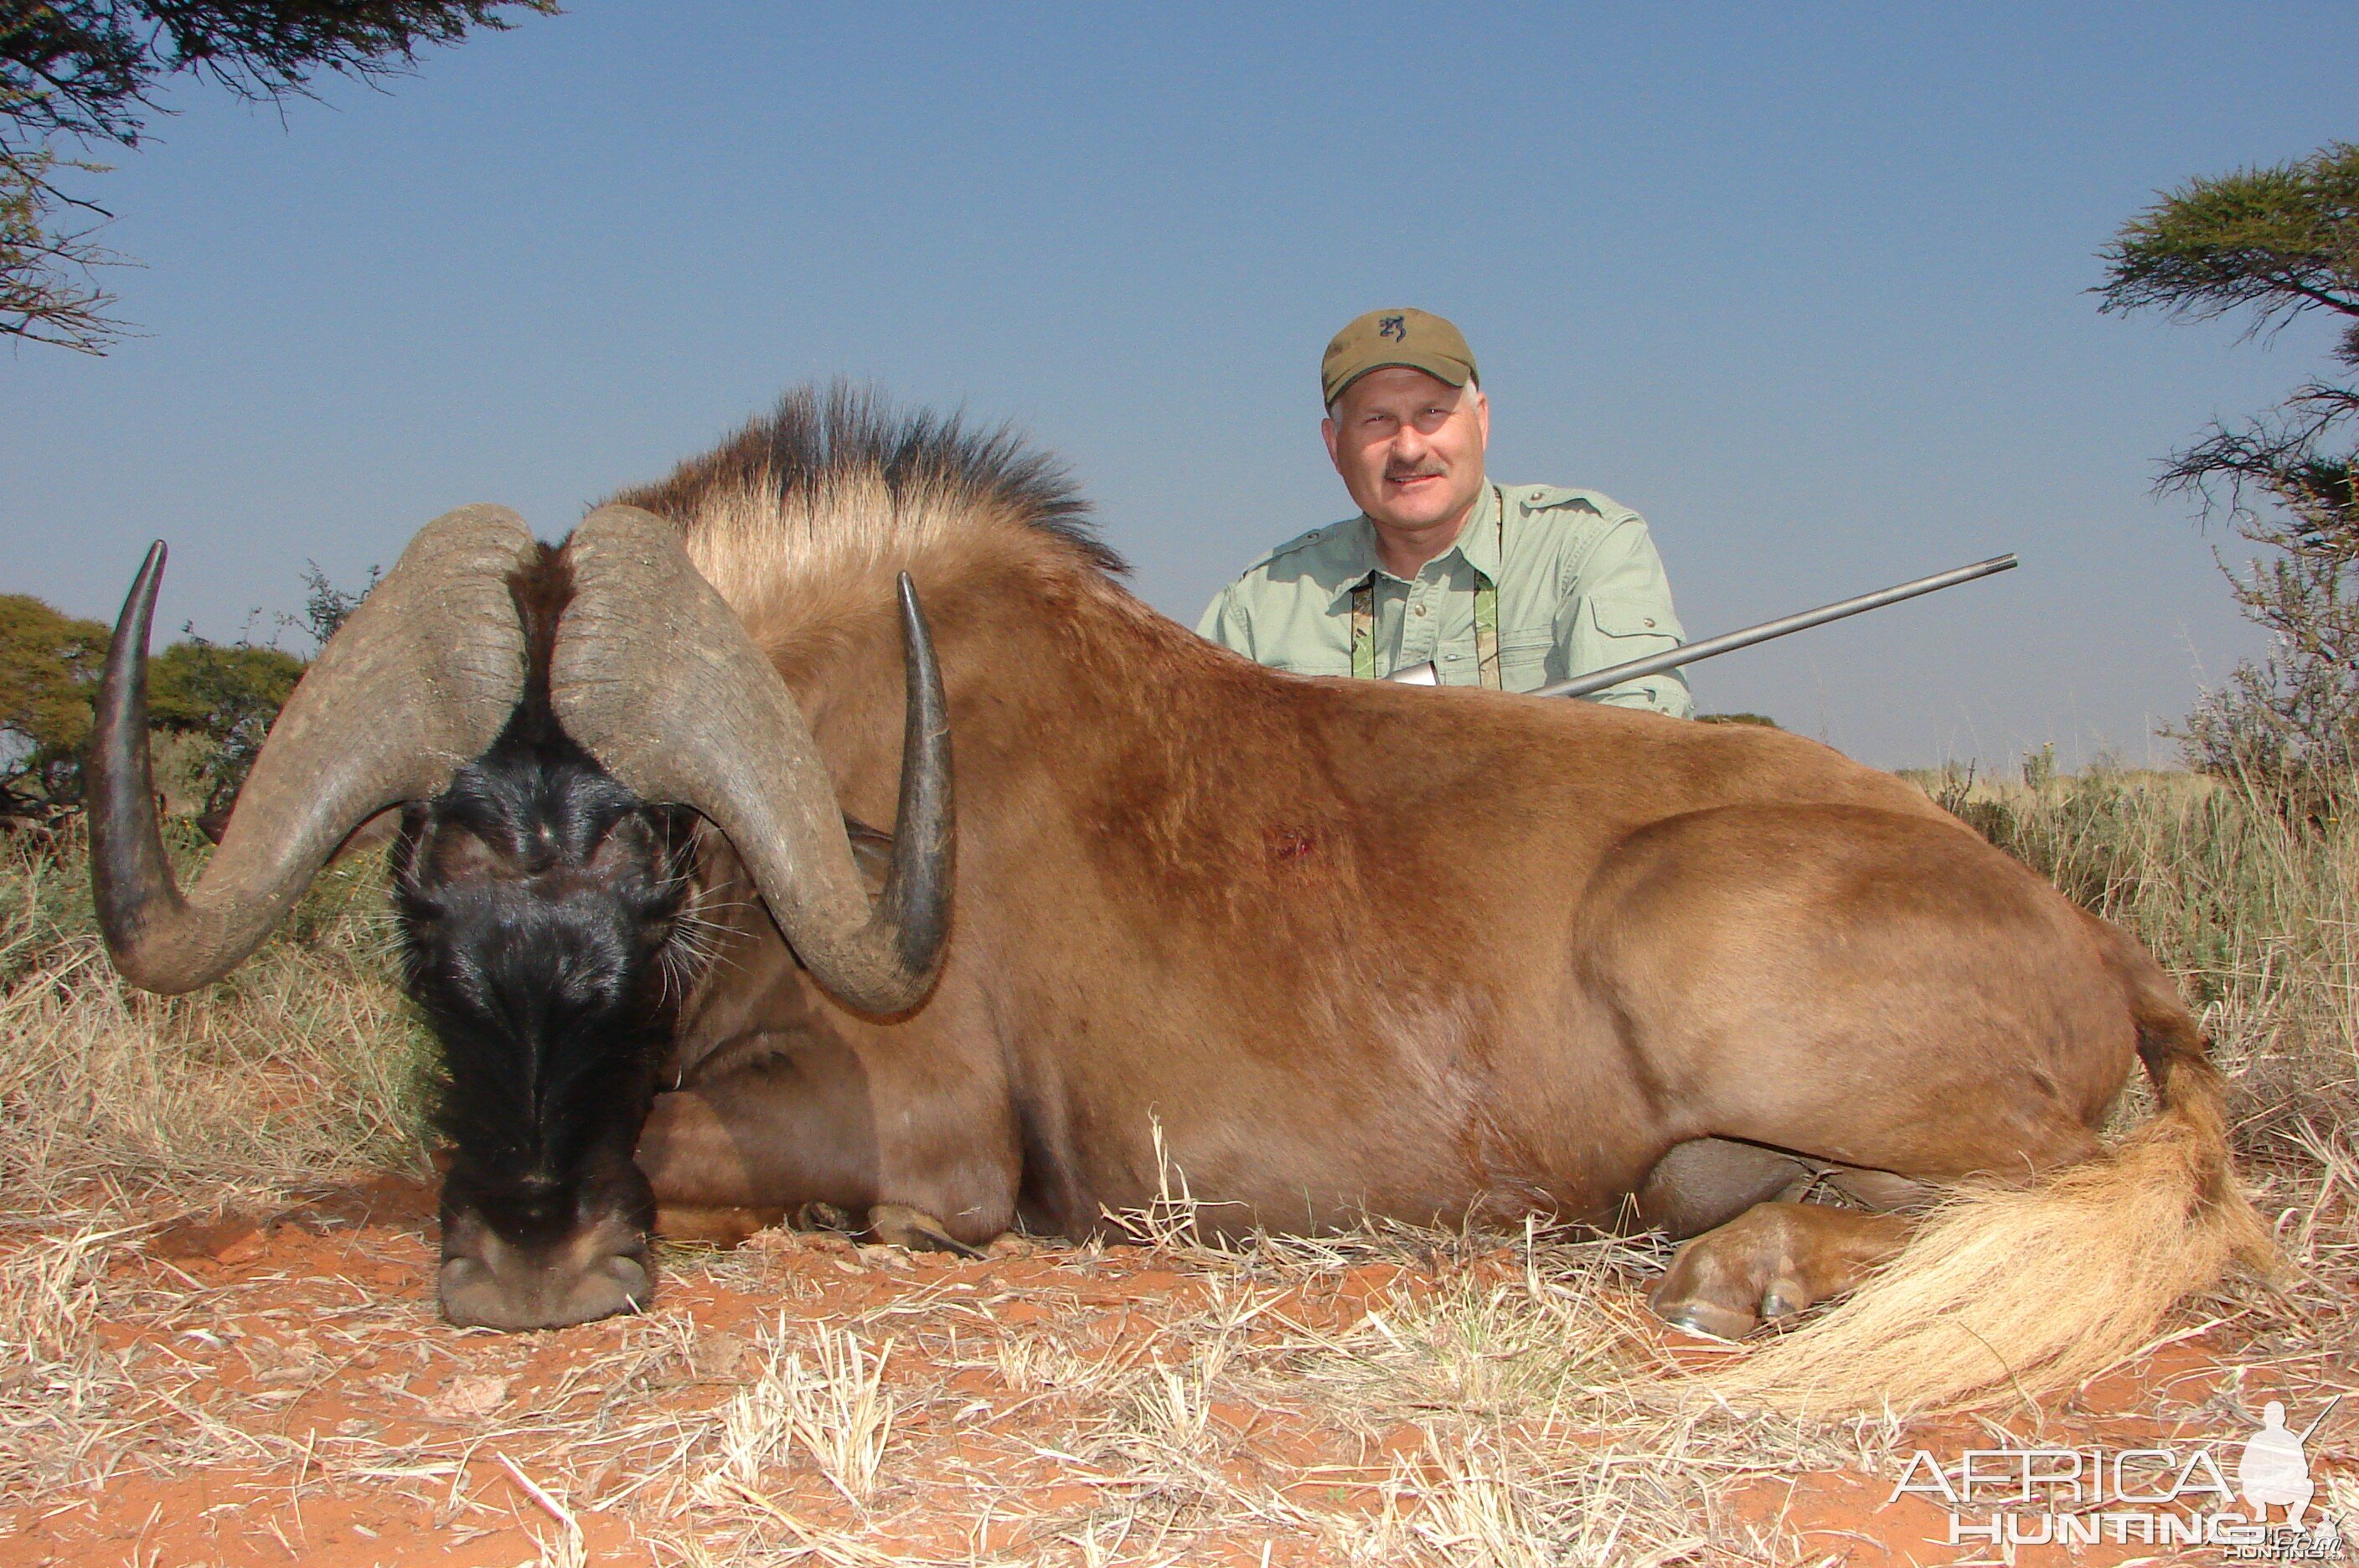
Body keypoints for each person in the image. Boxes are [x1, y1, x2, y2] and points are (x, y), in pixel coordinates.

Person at [1198, 307, 1693, 714]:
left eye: (1432, 413)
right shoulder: (1260, 604)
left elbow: (1647, 754)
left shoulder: (1588, 548)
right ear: (1334, 445)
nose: (1409, 448)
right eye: (1378, 420)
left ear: (1480, 420)